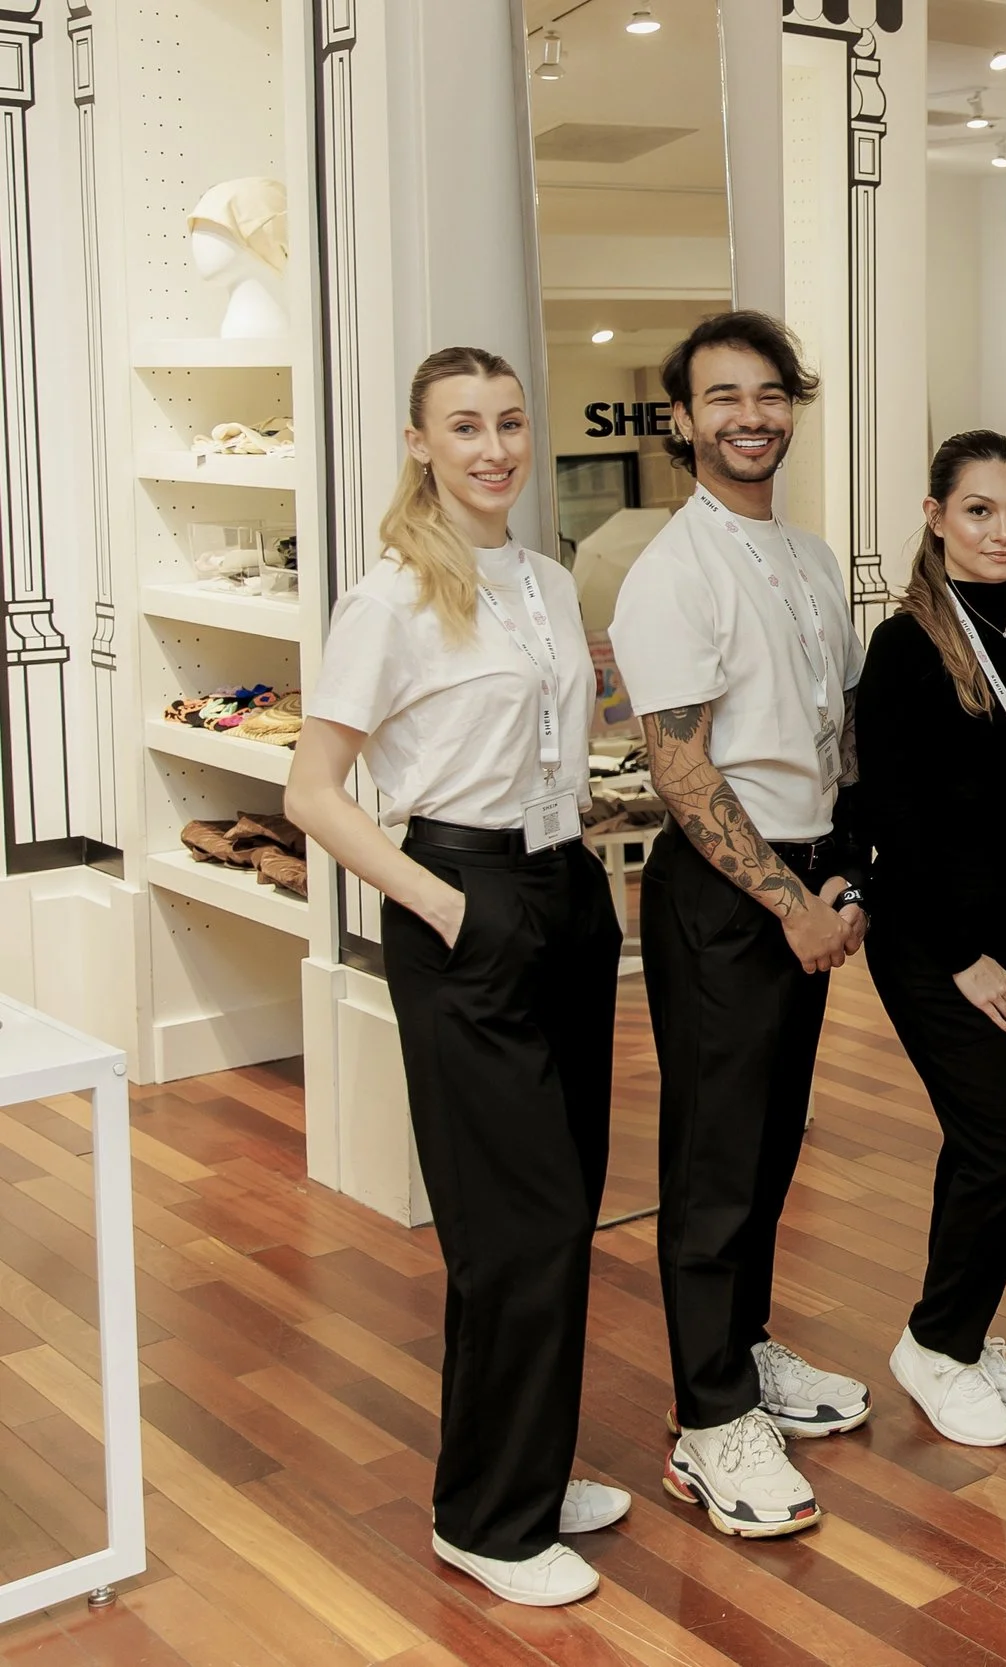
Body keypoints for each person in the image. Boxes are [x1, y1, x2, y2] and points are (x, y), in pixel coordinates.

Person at [287, 348, 624, 1607]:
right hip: (464, 898)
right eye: (465, 427)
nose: (495, 448)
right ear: (420, 442)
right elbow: (311, 791)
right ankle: (486, 1519)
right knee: (514, 1222)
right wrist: (441, 903)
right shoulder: (389, 598)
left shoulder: (548, 578)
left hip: (565, 889)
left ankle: (524, 1463)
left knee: (564, 1206)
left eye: (510, 422)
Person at [608, 311, 870, 1541]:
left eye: (768, 394)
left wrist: (843, 880)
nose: (749, 416)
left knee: (769, 1144)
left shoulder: (809, 556)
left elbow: (837, 738)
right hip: (725, 896)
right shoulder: (673, 570)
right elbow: (678, 764)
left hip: (805, 881)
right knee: (714, 1163)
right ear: (682, 419)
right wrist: (786, 902)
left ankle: (745, 1348)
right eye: (722, 397)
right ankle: (707, 1420)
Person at [856, 431, 1006, 1447]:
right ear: (937, 515)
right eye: (979, 510)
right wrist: (961, 956)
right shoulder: (904, 646)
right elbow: (892, 817)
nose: (1003, 530)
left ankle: (964, 1333)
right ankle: (934, 1343)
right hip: (936, 942)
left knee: (980, 1143)